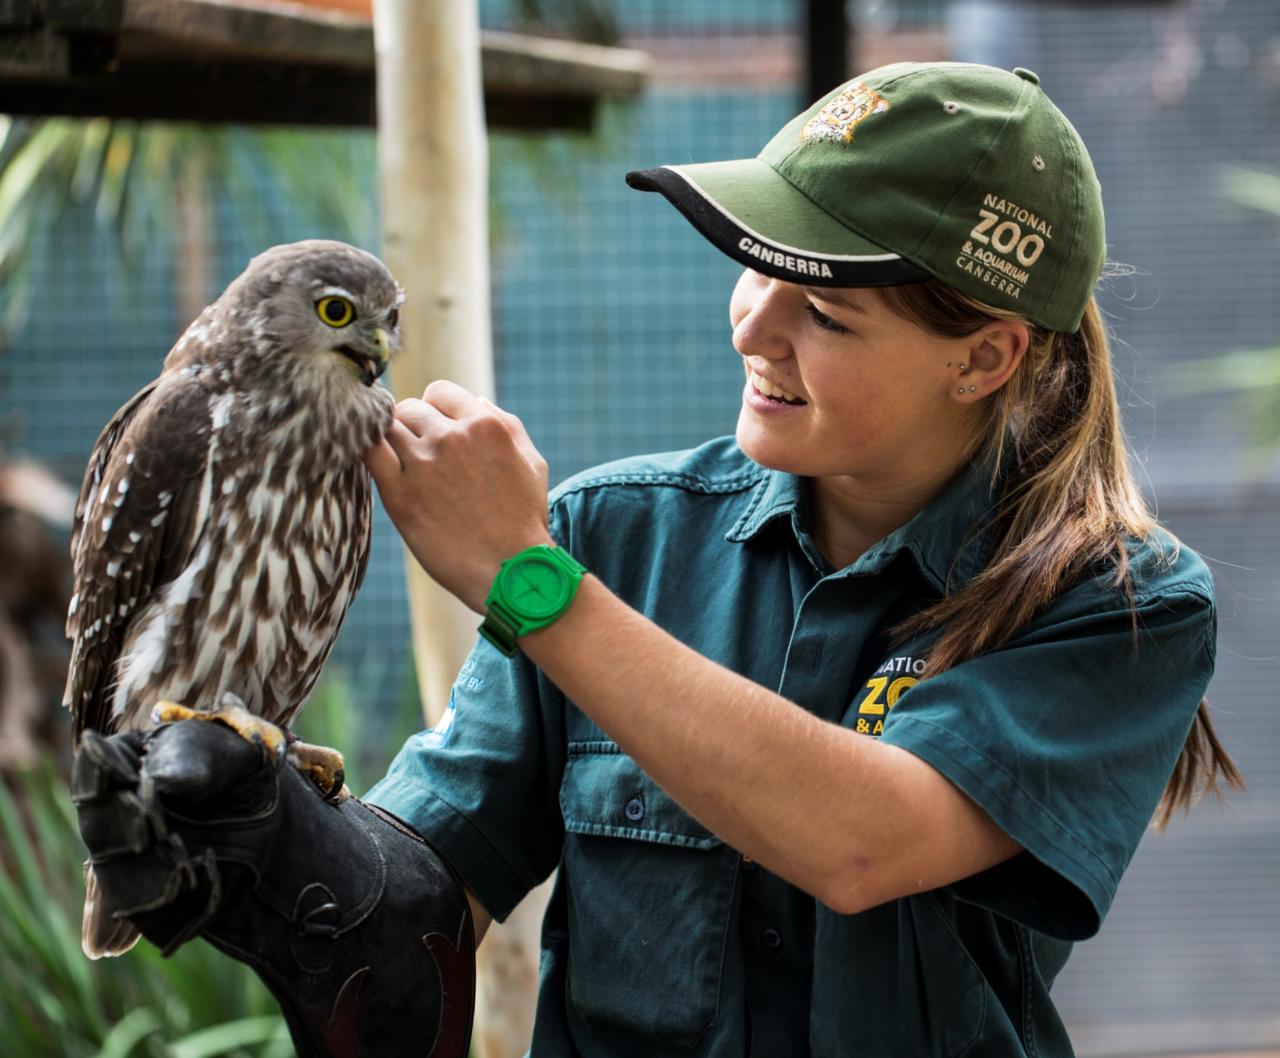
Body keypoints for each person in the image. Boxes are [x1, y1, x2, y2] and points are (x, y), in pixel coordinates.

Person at [75, 62, 1241, 1058]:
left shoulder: (1116, 603)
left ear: (982, 357)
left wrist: (523, 578)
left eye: (822, 312)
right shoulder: (615, 535)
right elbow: (428, 889)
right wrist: (286, 857)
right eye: (752, 267)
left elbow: (860, 837)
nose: (751, 324)